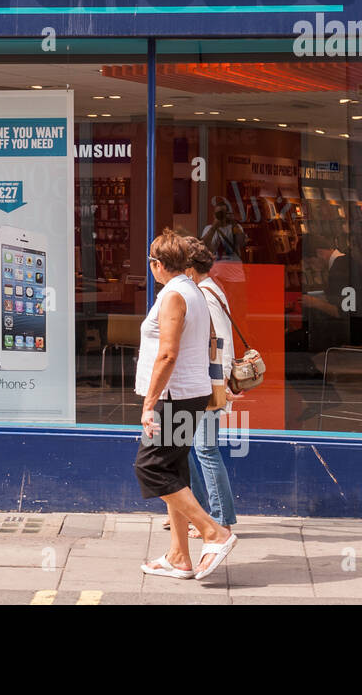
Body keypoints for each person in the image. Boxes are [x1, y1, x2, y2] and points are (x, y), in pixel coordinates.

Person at [135, 229, 239, 580]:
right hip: (187, 394)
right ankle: (179, 555)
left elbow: (167, 353)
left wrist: (149, 403)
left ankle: (214, 532)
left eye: (151, 262)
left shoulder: (175, 295)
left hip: (174, 396)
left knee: (151, 468)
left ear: (158, 264)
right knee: (175, 469)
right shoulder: (191, 290)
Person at [183, 238, 239, 539]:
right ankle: (198, 512)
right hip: (202, 382)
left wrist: (226, 381)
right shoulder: (208, 289)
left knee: (205, 448)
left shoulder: (205, 293)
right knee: (185, 447)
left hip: (210, 383)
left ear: (190, 269)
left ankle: (220, 520)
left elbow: (223, 343)